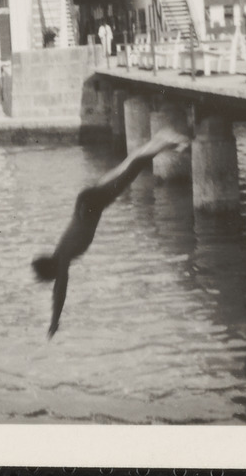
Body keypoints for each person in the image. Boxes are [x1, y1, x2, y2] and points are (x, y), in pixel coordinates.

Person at [31, 130, 191, 339]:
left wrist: (54, 321)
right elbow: (57, 290)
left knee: (130, 170)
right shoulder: (61, 253)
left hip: (91, 205)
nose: (56, 280)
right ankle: (162, 140)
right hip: (87, 202)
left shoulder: (62, 257)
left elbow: (60, 291)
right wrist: (54, 317)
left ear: (51, 270)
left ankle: (164, 142)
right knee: (128, 166)